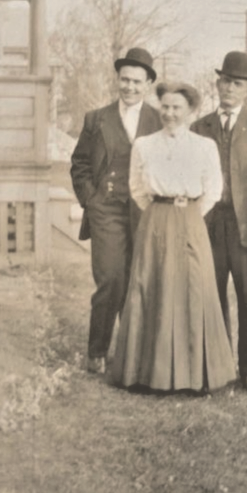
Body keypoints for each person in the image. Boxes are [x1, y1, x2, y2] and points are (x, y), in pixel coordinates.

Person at [110, 82, 236, 393]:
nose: (169, 113)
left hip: (191, 219)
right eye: (164, 106)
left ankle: (194, 374)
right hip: (156, 219)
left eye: (176, 107)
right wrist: (160, 212)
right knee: (152, 285)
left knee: (193, 285)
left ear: (190, 110)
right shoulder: (144, 144)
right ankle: (147, 373)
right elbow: (137, 188)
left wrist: (188, 213)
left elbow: (213, 190)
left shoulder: (204, 146)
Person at [70, 47, 161, 373]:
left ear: (148, 84)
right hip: (106, 209)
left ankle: (133, 354)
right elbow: (79, 164)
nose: (129, 87)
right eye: (125, 80)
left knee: (140, 280)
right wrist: (91, 200)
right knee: (110, 277)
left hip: (145, 211)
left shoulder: (159, 120)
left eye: (137, 82)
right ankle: (97, 350)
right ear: (117, 79)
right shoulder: (96, 119)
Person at [192, 51, 247, 390]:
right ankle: (219, 364)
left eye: (237, 83)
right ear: (217, 84)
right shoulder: (200, 127)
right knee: (212, 295)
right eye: (225, 81)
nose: (230, 88)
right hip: (209, 224)